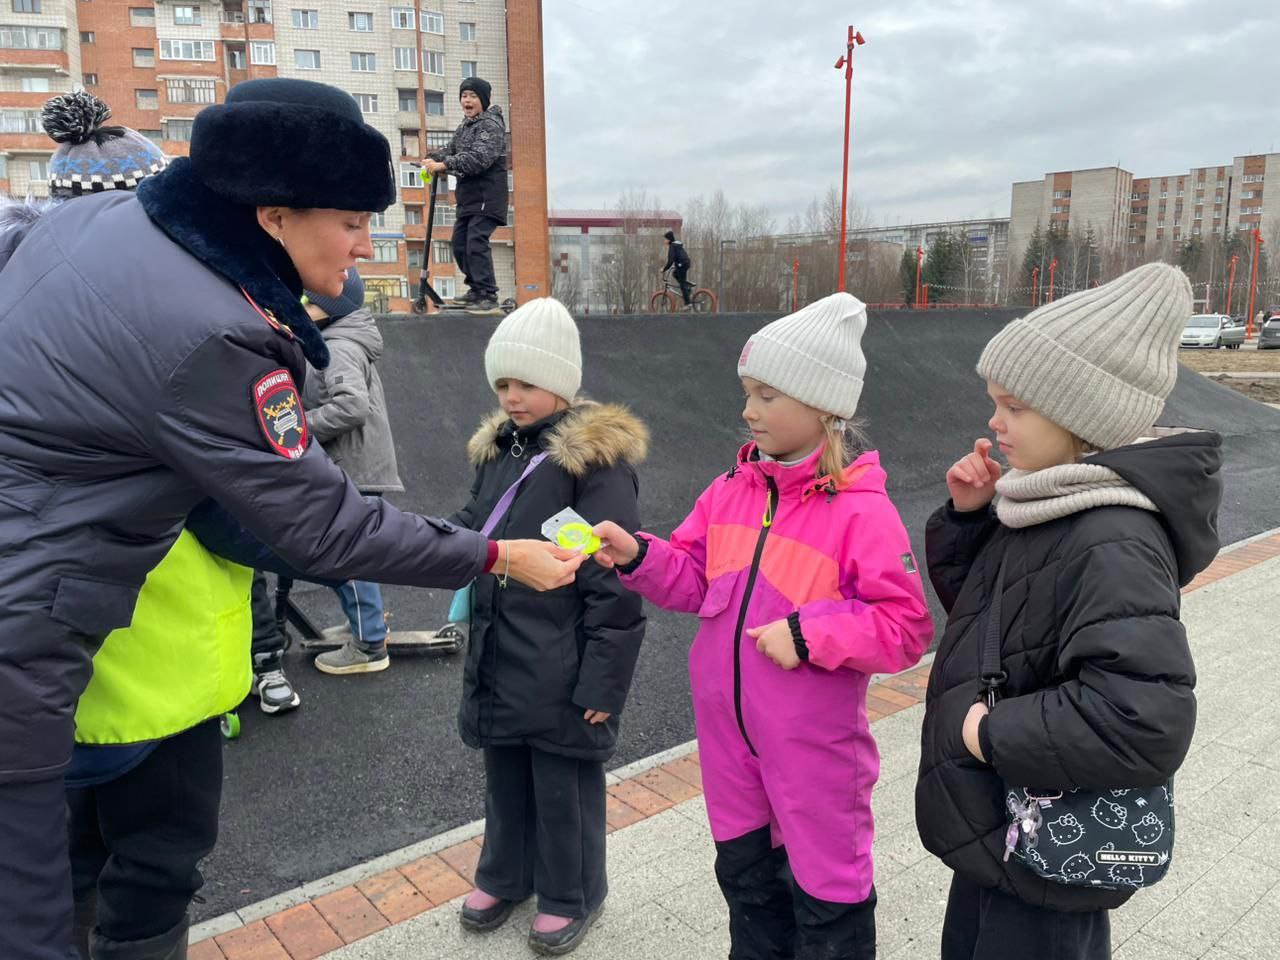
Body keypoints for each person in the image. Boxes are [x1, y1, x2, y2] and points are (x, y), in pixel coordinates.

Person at [0, 78, 581, 960]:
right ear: (272, 214)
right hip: (24, 630)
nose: (364, 242)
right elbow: (327, 530)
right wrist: (495, 553)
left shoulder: (86, 227)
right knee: (32, 919)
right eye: (349, 221)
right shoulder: (215, 332)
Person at [591, 293, 933, 960]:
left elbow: (905, 627)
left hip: (817, 759)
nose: (748, 410)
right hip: (728, 751)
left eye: (768, 395)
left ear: (824, 406)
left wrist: (809, 634)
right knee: (747, 888)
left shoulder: (862, 512)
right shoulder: (728, 493)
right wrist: (638, 555)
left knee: (828, 902)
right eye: (748, 392)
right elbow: (693, 581)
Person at [915, 263, 1222, 960]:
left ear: (1082, 414)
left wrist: (986, 733)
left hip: (1045, 846)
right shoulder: (1049, 502)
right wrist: (970, 522)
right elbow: (1001, 624)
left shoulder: (1111, 535)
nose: (994, 421)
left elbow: (1141, 722)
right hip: (1002, 834)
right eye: (994, 401)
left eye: (1015, 406)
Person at [450, 298, 648, 955]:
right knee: (505, 775)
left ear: (561, 382)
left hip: (563, 659)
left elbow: (611, 580)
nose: (511, 397)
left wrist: (602, 684)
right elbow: (472, 531)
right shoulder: (499, 453)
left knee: (564, 784)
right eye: (502, 384)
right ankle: (506, 873)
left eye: (526, 383)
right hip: (503, 652)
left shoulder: (591, 463)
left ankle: (573, 892)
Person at [302, 270, 405, 676]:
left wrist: (297, 425)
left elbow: (351, 407)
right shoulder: (337, 339)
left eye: (307, 302)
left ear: (329, 308)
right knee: (349, 549)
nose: (301, 311)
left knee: (346, 552)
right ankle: (364, 620)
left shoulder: (338, 346)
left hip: (355, 468)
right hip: (356, 464)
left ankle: (369, 643)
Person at [422, 76, 508, 317]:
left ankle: (488, 295)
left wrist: (444, 164)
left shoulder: (490, 126)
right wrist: (432, 158)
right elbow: (450, 151)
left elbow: (477, 160)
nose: (467, 100)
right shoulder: (465, 126)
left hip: (487, 197)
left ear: (483, 100)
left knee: (475, 242)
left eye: (472, 96)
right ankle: (476, 290)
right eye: (464, 96)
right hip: (469, 200)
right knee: (460, 244)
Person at [662, 229, 693, 309]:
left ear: (669, 240)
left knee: (682, 284)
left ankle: (688, 303)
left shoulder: (672, 247)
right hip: (684, 263)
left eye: (665, 239)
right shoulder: (677, 245)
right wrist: (675, 265)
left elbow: (670, 261)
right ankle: (687, 287)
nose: (664, 241)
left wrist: (664, 269)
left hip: (682, 265)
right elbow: (679, 257)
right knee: (675, 273)